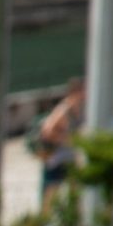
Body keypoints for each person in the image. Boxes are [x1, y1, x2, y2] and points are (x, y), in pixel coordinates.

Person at [35, 77, 86, 212]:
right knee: (52, 192)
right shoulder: (64, 109)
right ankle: (45, 221)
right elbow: (47, 130)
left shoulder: (77, 108)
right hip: (56, 158)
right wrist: (65, 139)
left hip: (68, 157)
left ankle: (72, 217)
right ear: (76, 91)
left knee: (75, 188)